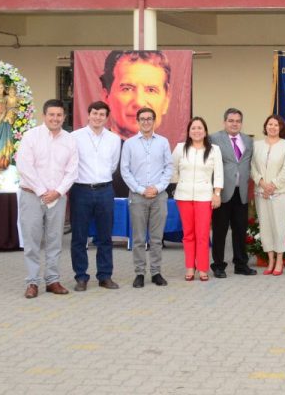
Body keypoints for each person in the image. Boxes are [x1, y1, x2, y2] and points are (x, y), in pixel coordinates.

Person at [15, 99, 78, 298]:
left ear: (64, 117)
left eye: (59, 115)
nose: (55, 118)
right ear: (44, 116)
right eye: (51, 115)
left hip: (58, 198)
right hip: (32, 196)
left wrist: (58, 192)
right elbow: (24, 166)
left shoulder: (69, 140)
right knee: (32, 240)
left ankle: (52, 280)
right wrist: (43, 191)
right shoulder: (30, 137)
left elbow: (72, 171)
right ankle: (32, 282)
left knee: (54, 240)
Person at [70, 100, 122, 291]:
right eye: (95, 113)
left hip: (105, 190)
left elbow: (113, 165)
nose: (98, 117)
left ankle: (105, 276)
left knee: (105, 236)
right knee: (79, 236)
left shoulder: (114, 139)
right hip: (81, 190)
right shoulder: (75, 137)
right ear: (88, 114)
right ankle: (81, 277)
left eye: (102, 114)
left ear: (106, 117)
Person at [120, 106, 173, 288]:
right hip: (138, 196)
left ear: (154, 120)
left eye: (149, 118)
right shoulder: (129, 144)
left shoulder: (163, 142)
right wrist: (141, 190)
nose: (146, 122)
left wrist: (157, 188)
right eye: (142, 119)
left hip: (159, 196)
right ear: (138, 121)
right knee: (139, 238)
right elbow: (124, 170)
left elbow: (169, 168)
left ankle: (156, 272)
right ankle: (139, 273)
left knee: (157, 238)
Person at [172, 117, 224, 282]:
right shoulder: (180, 148)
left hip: (204, 196)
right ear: (188, 131)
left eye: (200, 128)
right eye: (193, 128)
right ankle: (189, 267)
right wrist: (177, 185)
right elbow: (172, 169)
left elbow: (219, 173)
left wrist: (217, 193)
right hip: (184, 195)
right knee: (188, 234)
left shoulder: (214, 149)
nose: (196, 131)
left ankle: (202, 268)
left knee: (202, 234)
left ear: (205, 131)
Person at [209, 108, 256, 278]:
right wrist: (214, 191)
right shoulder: (214, 138)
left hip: (241, 192)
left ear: (241, 123)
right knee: (220, 230)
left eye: (237, 121)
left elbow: (248, 164)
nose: (234, 124)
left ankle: (240, 264)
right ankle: (218, 265)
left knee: (240, 229)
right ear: (224, 122)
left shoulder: (248, 141)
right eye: (231, 120)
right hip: (222, 192)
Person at [251, 114, 285, 276]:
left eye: (276, 125)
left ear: (281, 128)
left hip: (280, 193)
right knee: (265, 226)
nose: (273, 127)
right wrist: (262, 183)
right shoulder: (257, 145)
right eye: (270, 124)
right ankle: (269, 259)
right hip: (261, 192)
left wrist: (273, 185)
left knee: (279, 226)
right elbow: (252, 167)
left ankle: (279, 260)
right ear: (265, 126)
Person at [100, 50, 172, 140]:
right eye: (127, 89)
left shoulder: (165, 148)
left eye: (151, 90)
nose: (139, 102)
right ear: (106, 97)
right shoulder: (95, 150)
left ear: (166, 101)